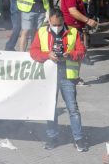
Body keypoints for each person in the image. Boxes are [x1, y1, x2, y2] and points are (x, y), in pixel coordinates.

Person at [29, 9, 88, 152]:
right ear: (49, 20)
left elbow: (81, 51)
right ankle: (52, 137)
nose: (56, 26)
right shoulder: (42, 32)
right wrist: (47, 55)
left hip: (67, 76)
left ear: (63, 21)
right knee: (51, 108)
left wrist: (70, 55)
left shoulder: (73, 32)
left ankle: (78, 139)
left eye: (59, 24)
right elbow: (33, 51)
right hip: (50, 76)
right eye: (53, 24)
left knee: (73, 109)